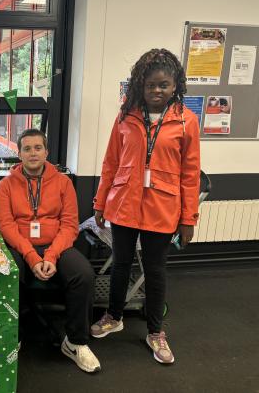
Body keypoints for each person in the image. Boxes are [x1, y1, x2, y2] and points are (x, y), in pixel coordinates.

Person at [91, 48, 201, 364]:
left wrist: (188, 217)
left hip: (163, 207)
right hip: (124, 203)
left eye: (164, 85)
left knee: (155, 271)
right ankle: (113, 316)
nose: (157, 91)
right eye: (151, 85)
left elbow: (191, 172)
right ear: (140, 85)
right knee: (121, 264)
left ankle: (155, 332)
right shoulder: (125, 117)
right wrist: (100, 201)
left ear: (175, 85)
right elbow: (111, 161)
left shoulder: (186, 121)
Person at [0, 129, 100, 373]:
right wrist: (32, 257)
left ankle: (75, 342)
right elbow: (7, 226)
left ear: (46, 152)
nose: (33, 153)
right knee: (8, 273)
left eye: (38, 148)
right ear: (19, 153)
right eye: (27, 149)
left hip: (57, 244)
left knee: (83, 274)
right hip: (20, 245)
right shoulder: (5, 184)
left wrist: (51, 255)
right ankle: (14, 336)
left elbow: (70, 224)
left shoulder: (63, 182)